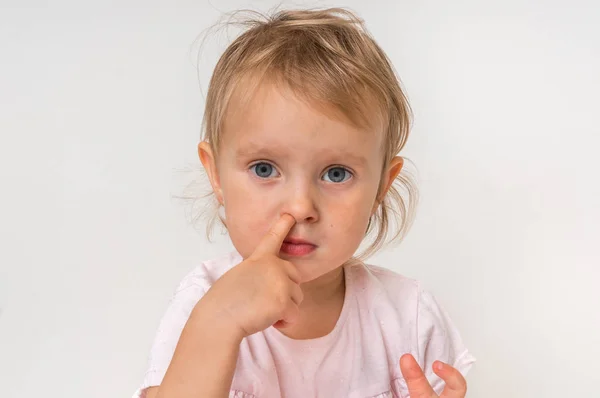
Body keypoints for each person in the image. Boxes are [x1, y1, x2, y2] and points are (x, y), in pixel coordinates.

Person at [134, 7, 475, 398]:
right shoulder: (203, 302)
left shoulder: (408, 317)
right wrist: (219, 324)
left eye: (336, 174)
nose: (300, 207)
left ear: (382, 185)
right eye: (264, 169)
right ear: (216, 174)